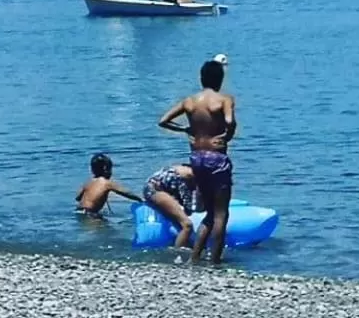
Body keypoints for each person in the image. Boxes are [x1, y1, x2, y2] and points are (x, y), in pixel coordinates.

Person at [159, 58, 237, 262]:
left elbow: (163, 121)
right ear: (220, 79)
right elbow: (229, 121)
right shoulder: (224, 99)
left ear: (201, 78)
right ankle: (215, 260)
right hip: (216, 157)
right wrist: (228, 135)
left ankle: (195, 258)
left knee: (210, 213)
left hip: (197, 157)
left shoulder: (190, 101)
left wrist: (185, 129)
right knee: (221, 214)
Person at [140, 161, 197, 249]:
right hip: (154, 190)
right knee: (187, 225)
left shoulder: (188, 171)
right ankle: (177, 252)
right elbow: (188, 207)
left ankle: (183, 244)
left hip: (155, 187)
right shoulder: (189, 176)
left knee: (180, 222)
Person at [75, 153, 143, 215]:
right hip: (90, 213)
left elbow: (78, 198)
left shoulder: (88, 182)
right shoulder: (107, 183)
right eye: (110, 169)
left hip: (79, 211)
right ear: (106, 169)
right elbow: (125, 192)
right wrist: (139, 198)